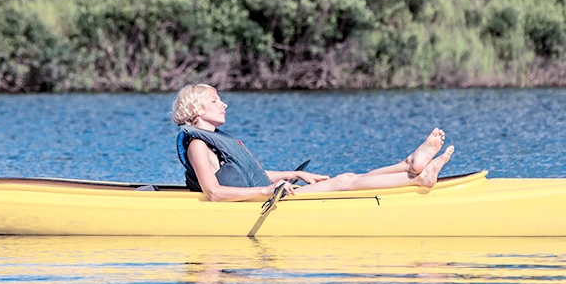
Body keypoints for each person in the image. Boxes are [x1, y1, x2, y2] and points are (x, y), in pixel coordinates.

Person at [172, 83, 455, 202]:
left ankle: (407, 165)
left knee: (347, 179)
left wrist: (294, 175)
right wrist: (266, 192)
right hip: (254, 203)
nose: (224, 104)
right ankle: (417, 180)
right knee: (344, 181)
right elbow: (215, 193)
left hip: (266, 195)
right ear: (197, 110)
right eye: (215, 100)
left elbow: (246, 177)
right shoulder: (198, 145)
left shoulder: (217, 141)